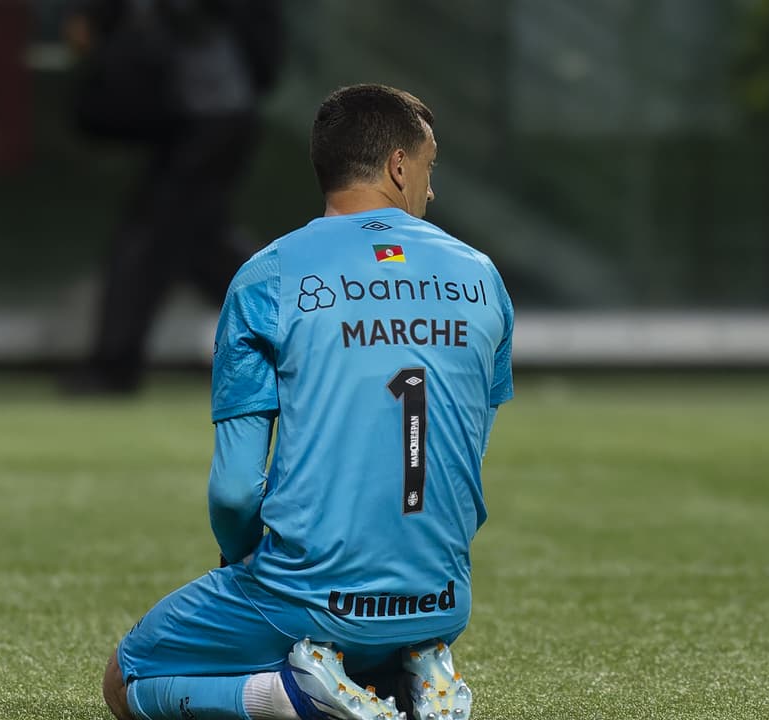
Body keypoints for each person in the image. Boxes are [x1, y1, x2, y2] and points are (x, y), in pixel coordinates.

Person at [101, 84, 515, 720]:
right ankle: (415, 670)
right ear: (399, 166)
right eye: (429, 170)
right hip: (442, 594)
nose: (430, 191)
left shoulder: (269, 276)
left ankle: (294, 700)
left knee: (125, 680)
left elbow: (235, 491)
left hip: (315, 595)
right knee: (346, 634)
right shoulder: (482, 275)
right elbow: (462, 462)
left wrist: (243, 563)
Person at [64, 0, 286, 394]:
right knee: (199, 245)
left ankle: (113, 366)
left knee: (149, 238)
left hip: (211, 112)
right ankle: (304, 331)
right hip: (203, 112)